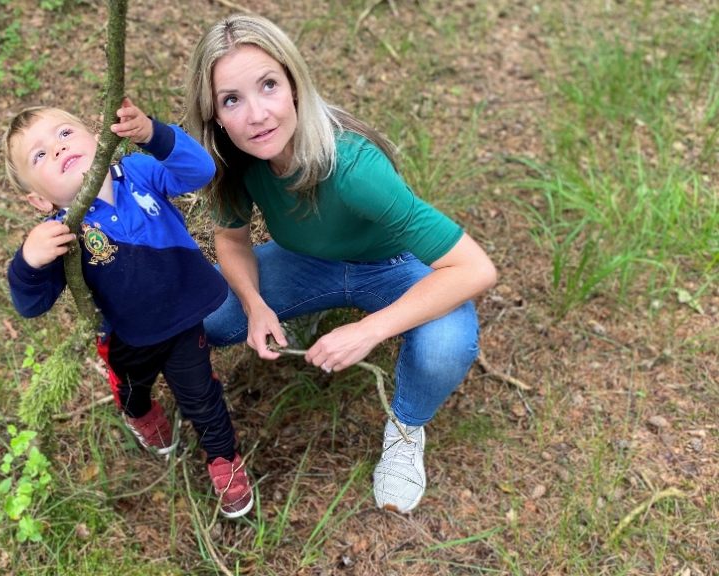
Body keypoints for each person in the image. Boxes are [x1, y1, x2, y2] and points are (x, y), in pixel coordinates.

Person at [183, 14, 497, 513]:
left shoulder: (353, 168)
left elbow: (476, 269)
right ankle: (301, 312)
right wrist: (255, 302)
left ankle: (406, 428)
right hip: (307, 260)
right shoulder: (232, 160)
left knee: (445, 346)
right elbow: (230, 238)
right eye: (232, 99)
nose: (257, 114)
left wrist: (370, 330)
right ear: (215, 115)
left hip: (394, 266)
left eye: (268, 85)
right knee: (207, 313)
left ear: (294, 84)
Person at [3, 97, 253, 518]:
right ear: (40, 200)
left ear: (98, 138)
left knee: (202, 396)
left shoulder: (138, 172)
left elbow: (200, 171)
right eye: (40, 155)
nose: (59, 149)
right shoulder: (59, 232)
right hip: (125, 336)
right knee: (133, 390)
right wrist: (28, 262)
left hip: (182, 320)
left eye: (65, 134)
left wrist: (154, 135)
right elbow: (32, 305)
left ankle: (222, 457)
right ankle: (142, 414)